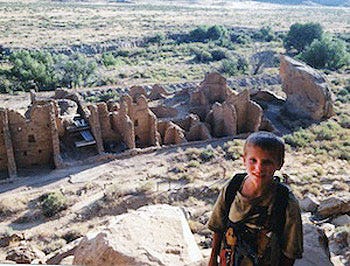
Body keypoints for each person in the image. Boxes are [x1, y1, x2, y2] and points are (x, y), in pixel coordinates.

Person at [208, 131, 303, 266]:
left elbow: (290, 251)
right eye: (253, 160)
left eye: (267, 162)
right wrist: (212, 260)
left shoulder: (285, 202)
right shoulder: (232, 188)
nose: (259, 168)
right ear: (244, 160)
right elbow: (218, 226)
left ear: (279, 164)